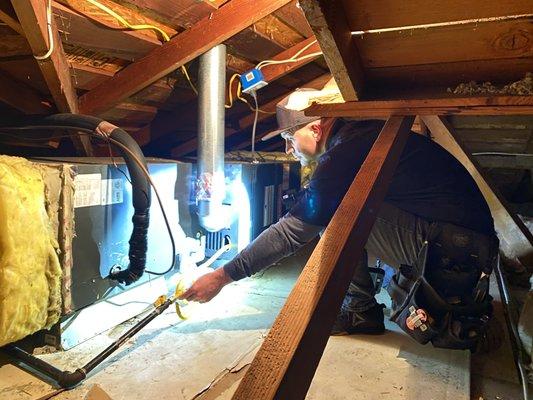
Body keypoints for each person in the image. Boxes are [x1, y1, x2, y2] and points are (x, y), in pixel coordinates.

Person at [180, 87, 501, 351]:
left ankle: (360, 310)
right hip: (462, 245)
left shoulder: (347, 150)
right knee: (331, 206)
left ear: (315, 129)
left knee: (332, 211)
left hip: (455, 250)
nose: (290, 151)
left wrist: (222, 276)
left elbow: (292, 233)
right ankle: (360, 311)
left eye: (290, 140)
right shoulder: (357, 139)